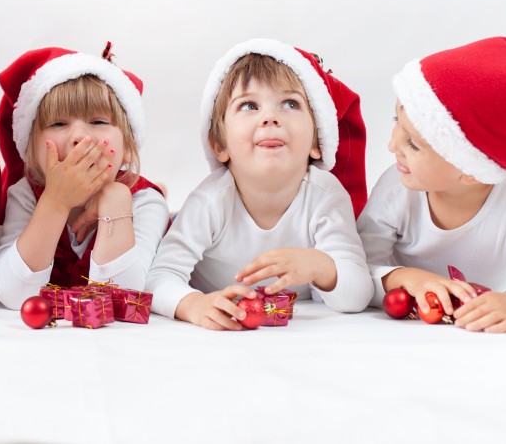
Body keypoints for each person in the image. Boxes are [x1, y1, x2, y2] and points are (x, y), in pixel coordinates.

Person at [146, 39, 372, 330]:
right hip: (222, 306)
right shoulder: (210, 200)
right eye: (249, 105)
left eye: (291, 104)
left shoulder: (325, 195)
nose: (270, 117)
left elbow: (358, 293)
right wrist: (194, 304)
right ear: (219, 145)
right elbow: (159, 276)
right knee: (167, 229)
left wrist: (320, 265)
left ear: (318, 142)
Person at [356, 37, 506, 333]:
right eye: (397, 121)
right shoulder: (396, 187)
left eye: (413, 144)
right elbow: (356, 266)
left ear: (472, 170)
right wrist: (402, 278)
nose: (392, 144)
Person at [0, 43, 170, 309]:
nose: (80, 137)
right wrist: (55, 202)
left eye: (98, 122)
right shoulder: (26, 194)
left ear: (128, 149)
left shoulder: (145, 201)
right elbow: (13, 294)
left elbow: (121, 299)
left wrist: (116, 200)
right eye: (59, 124)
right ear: (30, 152)